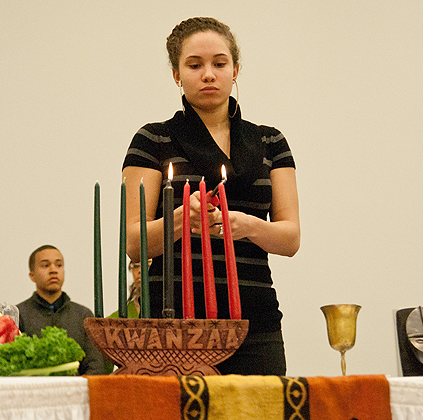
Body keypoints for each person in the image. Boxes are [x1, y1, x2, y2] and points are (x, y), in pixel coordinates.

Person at [122, 17, 300, 375]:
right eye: (194, 65)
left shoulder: (270, 142)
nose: (208, 74)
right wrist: (179, 222)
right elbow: (134, 242)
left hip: (253, 318)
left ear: (235, 70)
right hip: (174, 322)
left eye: (219, 64)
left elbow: (290, 238)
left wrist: (246, 225)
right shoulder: (153, 139)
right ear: (176, 74)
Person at [16, 245, 104, 375]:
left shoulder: (83, 315)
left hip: (77, 390)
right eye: (45, 266)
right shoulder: (19, 315)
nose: (53, 270)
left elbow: (95, 366)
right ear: (32, 275)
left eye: (59, 265)